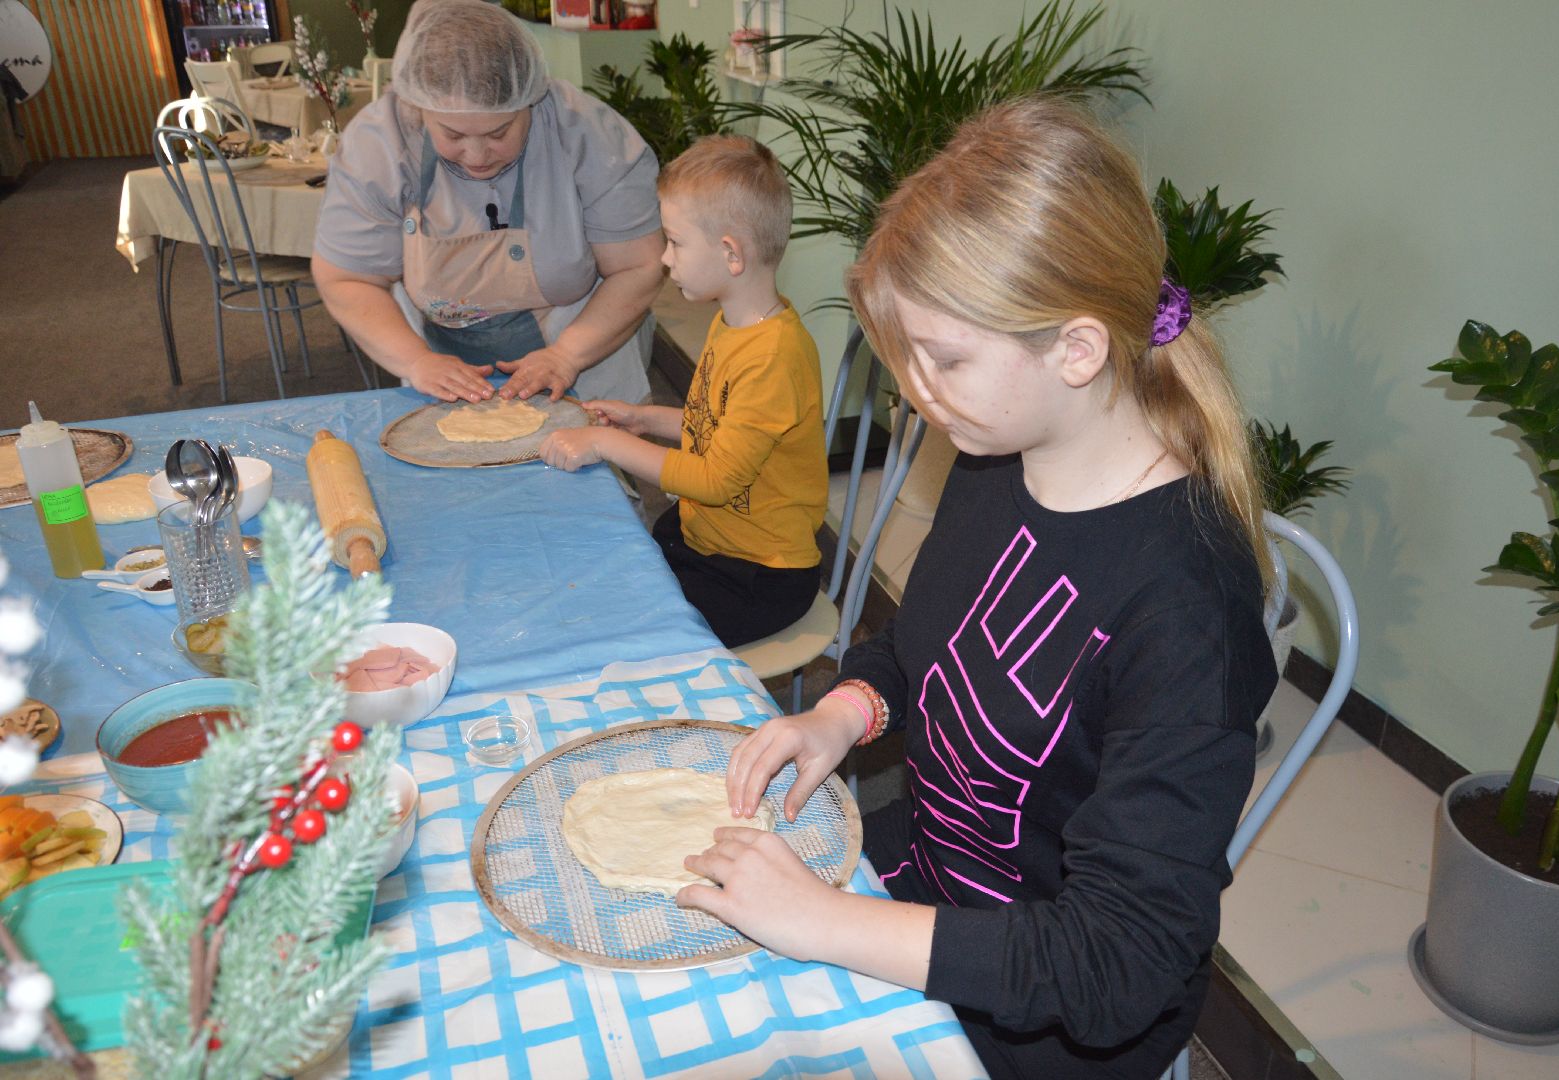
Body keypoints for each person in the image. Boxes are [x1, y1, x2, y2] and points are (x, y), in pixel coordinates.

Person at [676, 97, 1281, 1079]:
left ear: (1076, 350)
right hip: (925, 877)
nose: (916, 390)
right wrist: (840, 715)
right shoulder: (999, 454)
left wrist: (822, 921)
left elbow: (1116, 963)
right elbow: (925, 651)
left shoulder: (1186, 612)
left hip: (1042, 1016)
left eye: (945, 358)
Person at [538, 135, 828, 648]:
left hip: (759, 574)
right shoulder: (732, 323)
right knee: (617, 570)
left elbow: (715, 481)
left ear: (730, 254)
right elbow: (714, 427)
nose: (664, 258)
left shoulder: (773, 357)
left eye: (675, 242)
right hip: (707, 539)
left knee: (637, 631)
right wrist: (642, 419)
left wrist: (605, 443)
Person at [312, 0, 664, 405]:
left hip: (587, 345)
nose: (477, 155)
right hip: (436, 356)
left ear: (530, 100)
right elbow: (348, 278)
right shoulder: (378, 145)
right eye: (453, 135)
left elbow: (639, 265)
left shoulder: (590, 136)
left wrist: (567, 354)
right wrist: (416, 360)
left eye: (499, 132)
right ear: (419, 109)